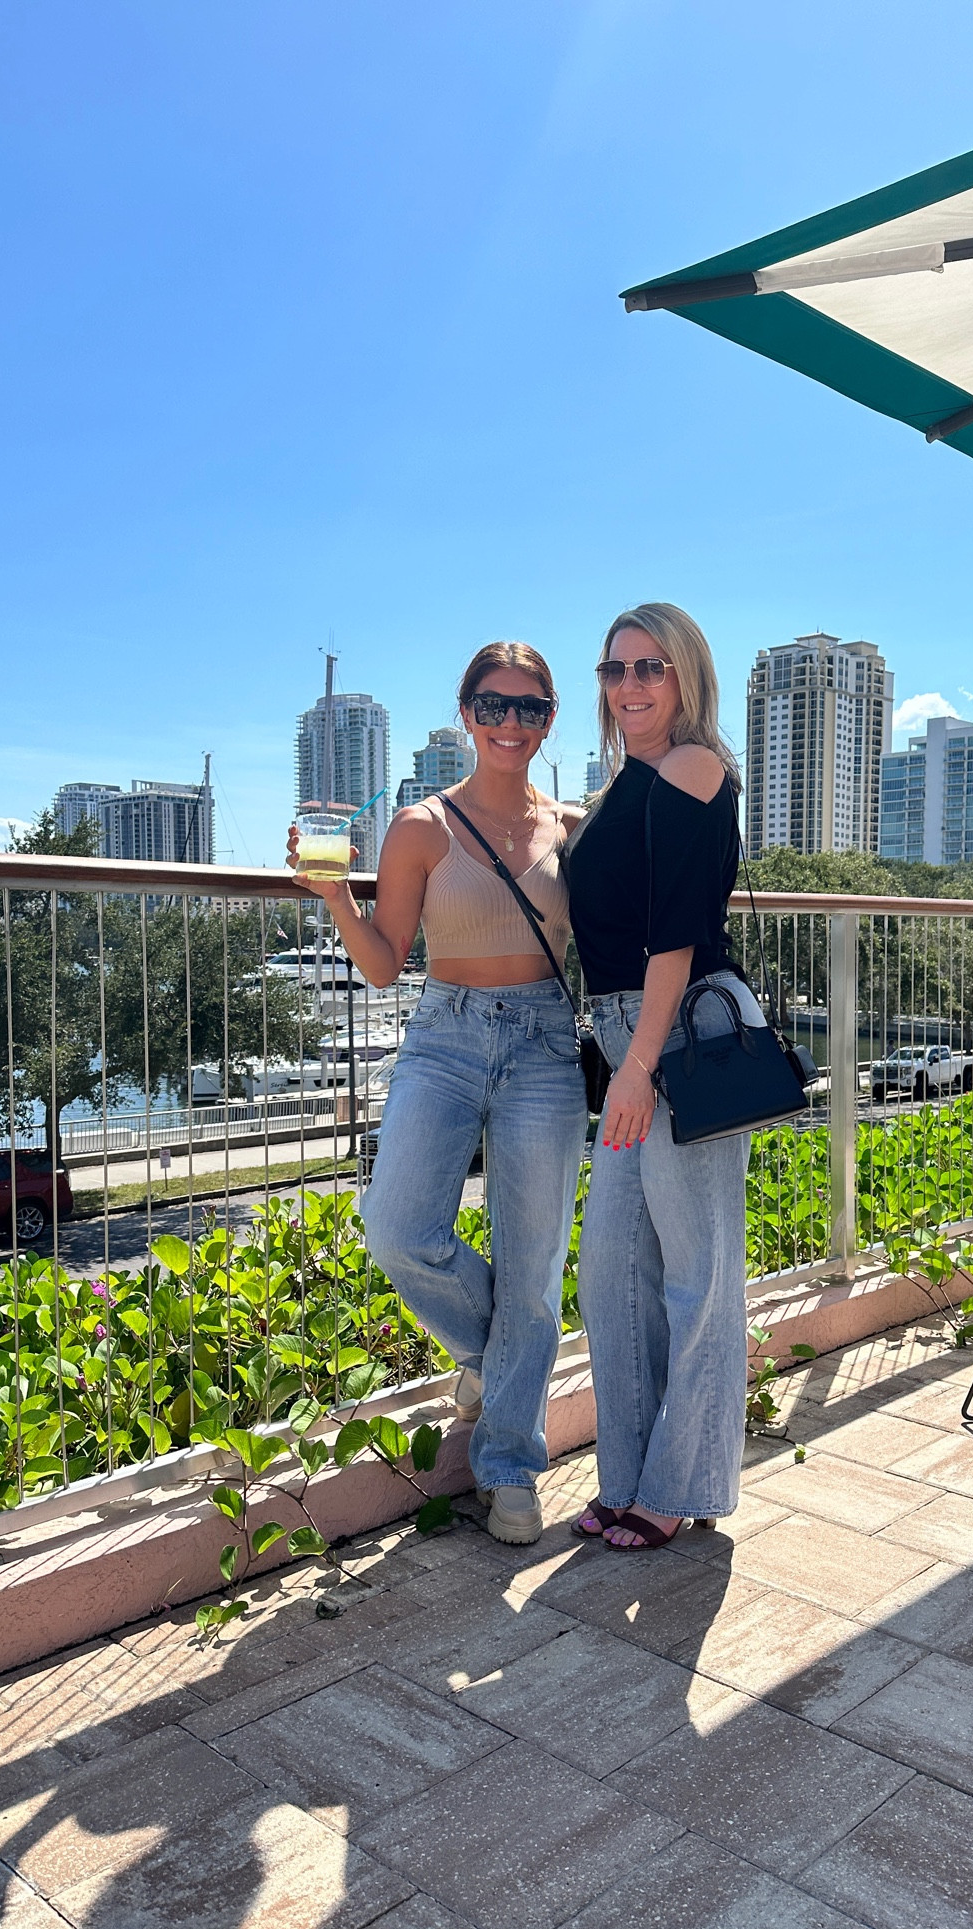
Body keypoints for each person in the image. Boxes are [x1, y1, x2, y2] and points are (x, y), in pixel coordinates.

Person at [288, 642, 586, 1545]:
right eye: (493, 705)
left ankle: (510, 1469)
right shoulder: (420, 826)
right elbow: (383, 967)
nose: (510, 724)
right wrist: (335, 897)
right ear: (464, 714)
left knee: (533, 1270)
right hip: (446, 1032)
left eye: (530, 709)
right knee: (399, 1226)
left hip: (544, 1040)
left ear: (549, 721)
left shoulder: (573, 830)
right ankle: (491, 1363)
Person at [564, 602, 758, 1550]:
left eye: (649, 668)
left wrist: (636, 1067)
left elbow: (672, 936)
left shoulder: (694, 766)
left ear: (685, 678)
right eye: (614, 670)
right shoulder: (625, 785)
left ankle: (680, 1486)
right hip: (631, 1034)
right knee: (612, 1274)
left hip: (676, 1033)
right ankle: (630, 1475)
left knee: (699, 1275)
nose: (629, 686)